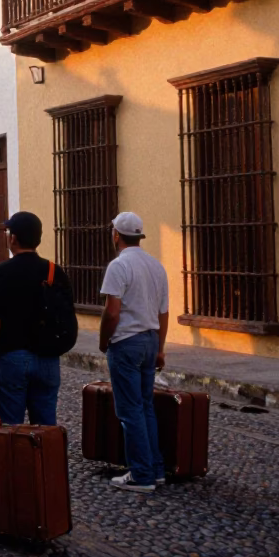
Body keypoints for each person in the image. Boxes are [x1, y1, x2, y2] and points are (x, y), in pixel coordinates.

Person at [0, 211, 72, 426]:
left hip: (12, 360)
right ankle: (47, 460)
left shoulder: (1, 272)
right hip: (48, 359)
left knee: (8, 428)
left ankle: (12, 461)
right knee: (46, 428)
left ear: (13, 238)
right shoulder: (54, 271)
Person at [99, 211, 169, 494]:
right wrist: (161, 348)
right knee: (146, 407)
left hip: (127, 342)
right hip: (151, 339)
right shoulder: (156, 266)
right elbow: (164, 313)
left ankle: (141, 474)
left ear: (116, 234)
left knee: (130, 411)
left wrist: (104, 341)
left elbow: (112, 312)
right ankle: (156, 468)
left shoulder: (118, 266)